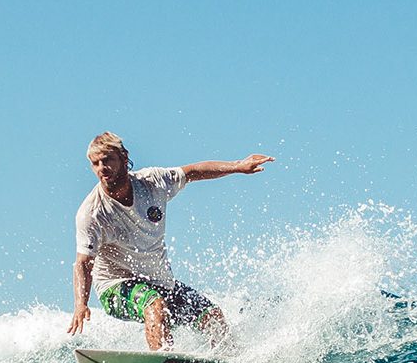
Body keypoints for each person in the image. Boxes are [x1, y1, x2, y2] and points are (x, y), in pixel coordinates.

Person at [68, 133, 274, 350]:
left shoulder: (152, 182)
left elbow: (193, 171)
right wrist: (81, 304)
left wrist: (237, 166)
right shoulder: (92, 213)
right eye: (95, 163)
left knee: (212, 315)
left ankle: (227, 362)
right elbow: (83, 262)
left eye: (107, 159)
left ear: (123, 158)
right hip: (115, 286)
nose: (102, 168)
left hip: (159, 281)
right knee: (154, 304)